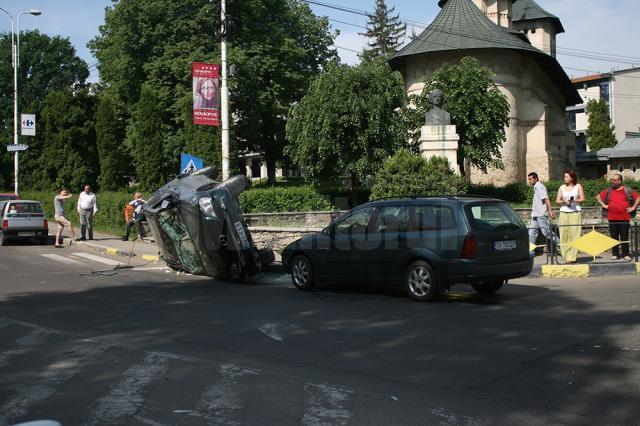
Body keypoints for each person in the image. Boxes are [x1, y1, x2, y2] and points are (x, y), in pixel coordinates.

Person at [596, 173, 640, 261]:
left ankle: (626, 254)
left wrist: (633, 207)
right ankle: (615, 254)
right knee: (614, 237)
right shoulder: (609, 190)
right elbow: (597, 197)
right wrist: (604, 205)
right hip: (612, 218)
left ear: (619, 181)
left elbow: (638, 197)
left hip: (624, 218)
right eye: (611, 180)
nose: (612, 181)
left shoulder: (627, 190)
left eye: (614, 180)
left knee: (624, 237)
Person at [555, 170, 585, 263]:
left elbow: (583, 199)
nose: (564, 178)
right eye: (564, 177)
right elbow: (557, 201)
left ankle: (573, 257)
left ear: (572, 178)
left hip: (575, 212)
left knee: (575, 234)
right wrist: (565, 201)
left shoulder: (578, 186)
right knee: (564, 234)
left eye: (566, 177)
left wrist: (574, 201)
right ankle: (566, 256)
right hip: (564, 212)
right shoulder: (562, 187)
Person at [527, 172, 558, 252]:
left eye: (530, 179)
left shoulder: (540, 187)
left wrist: (550, 211)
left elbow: (546, 199)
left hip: (540, 214)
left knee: (547, 233)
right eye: (528, 179)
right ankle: (530, 252)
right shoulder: (536, 187)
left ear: (536, 179)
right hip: (535, 215)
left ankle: (562, 246)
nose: (529, 181)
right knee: (531, 233)